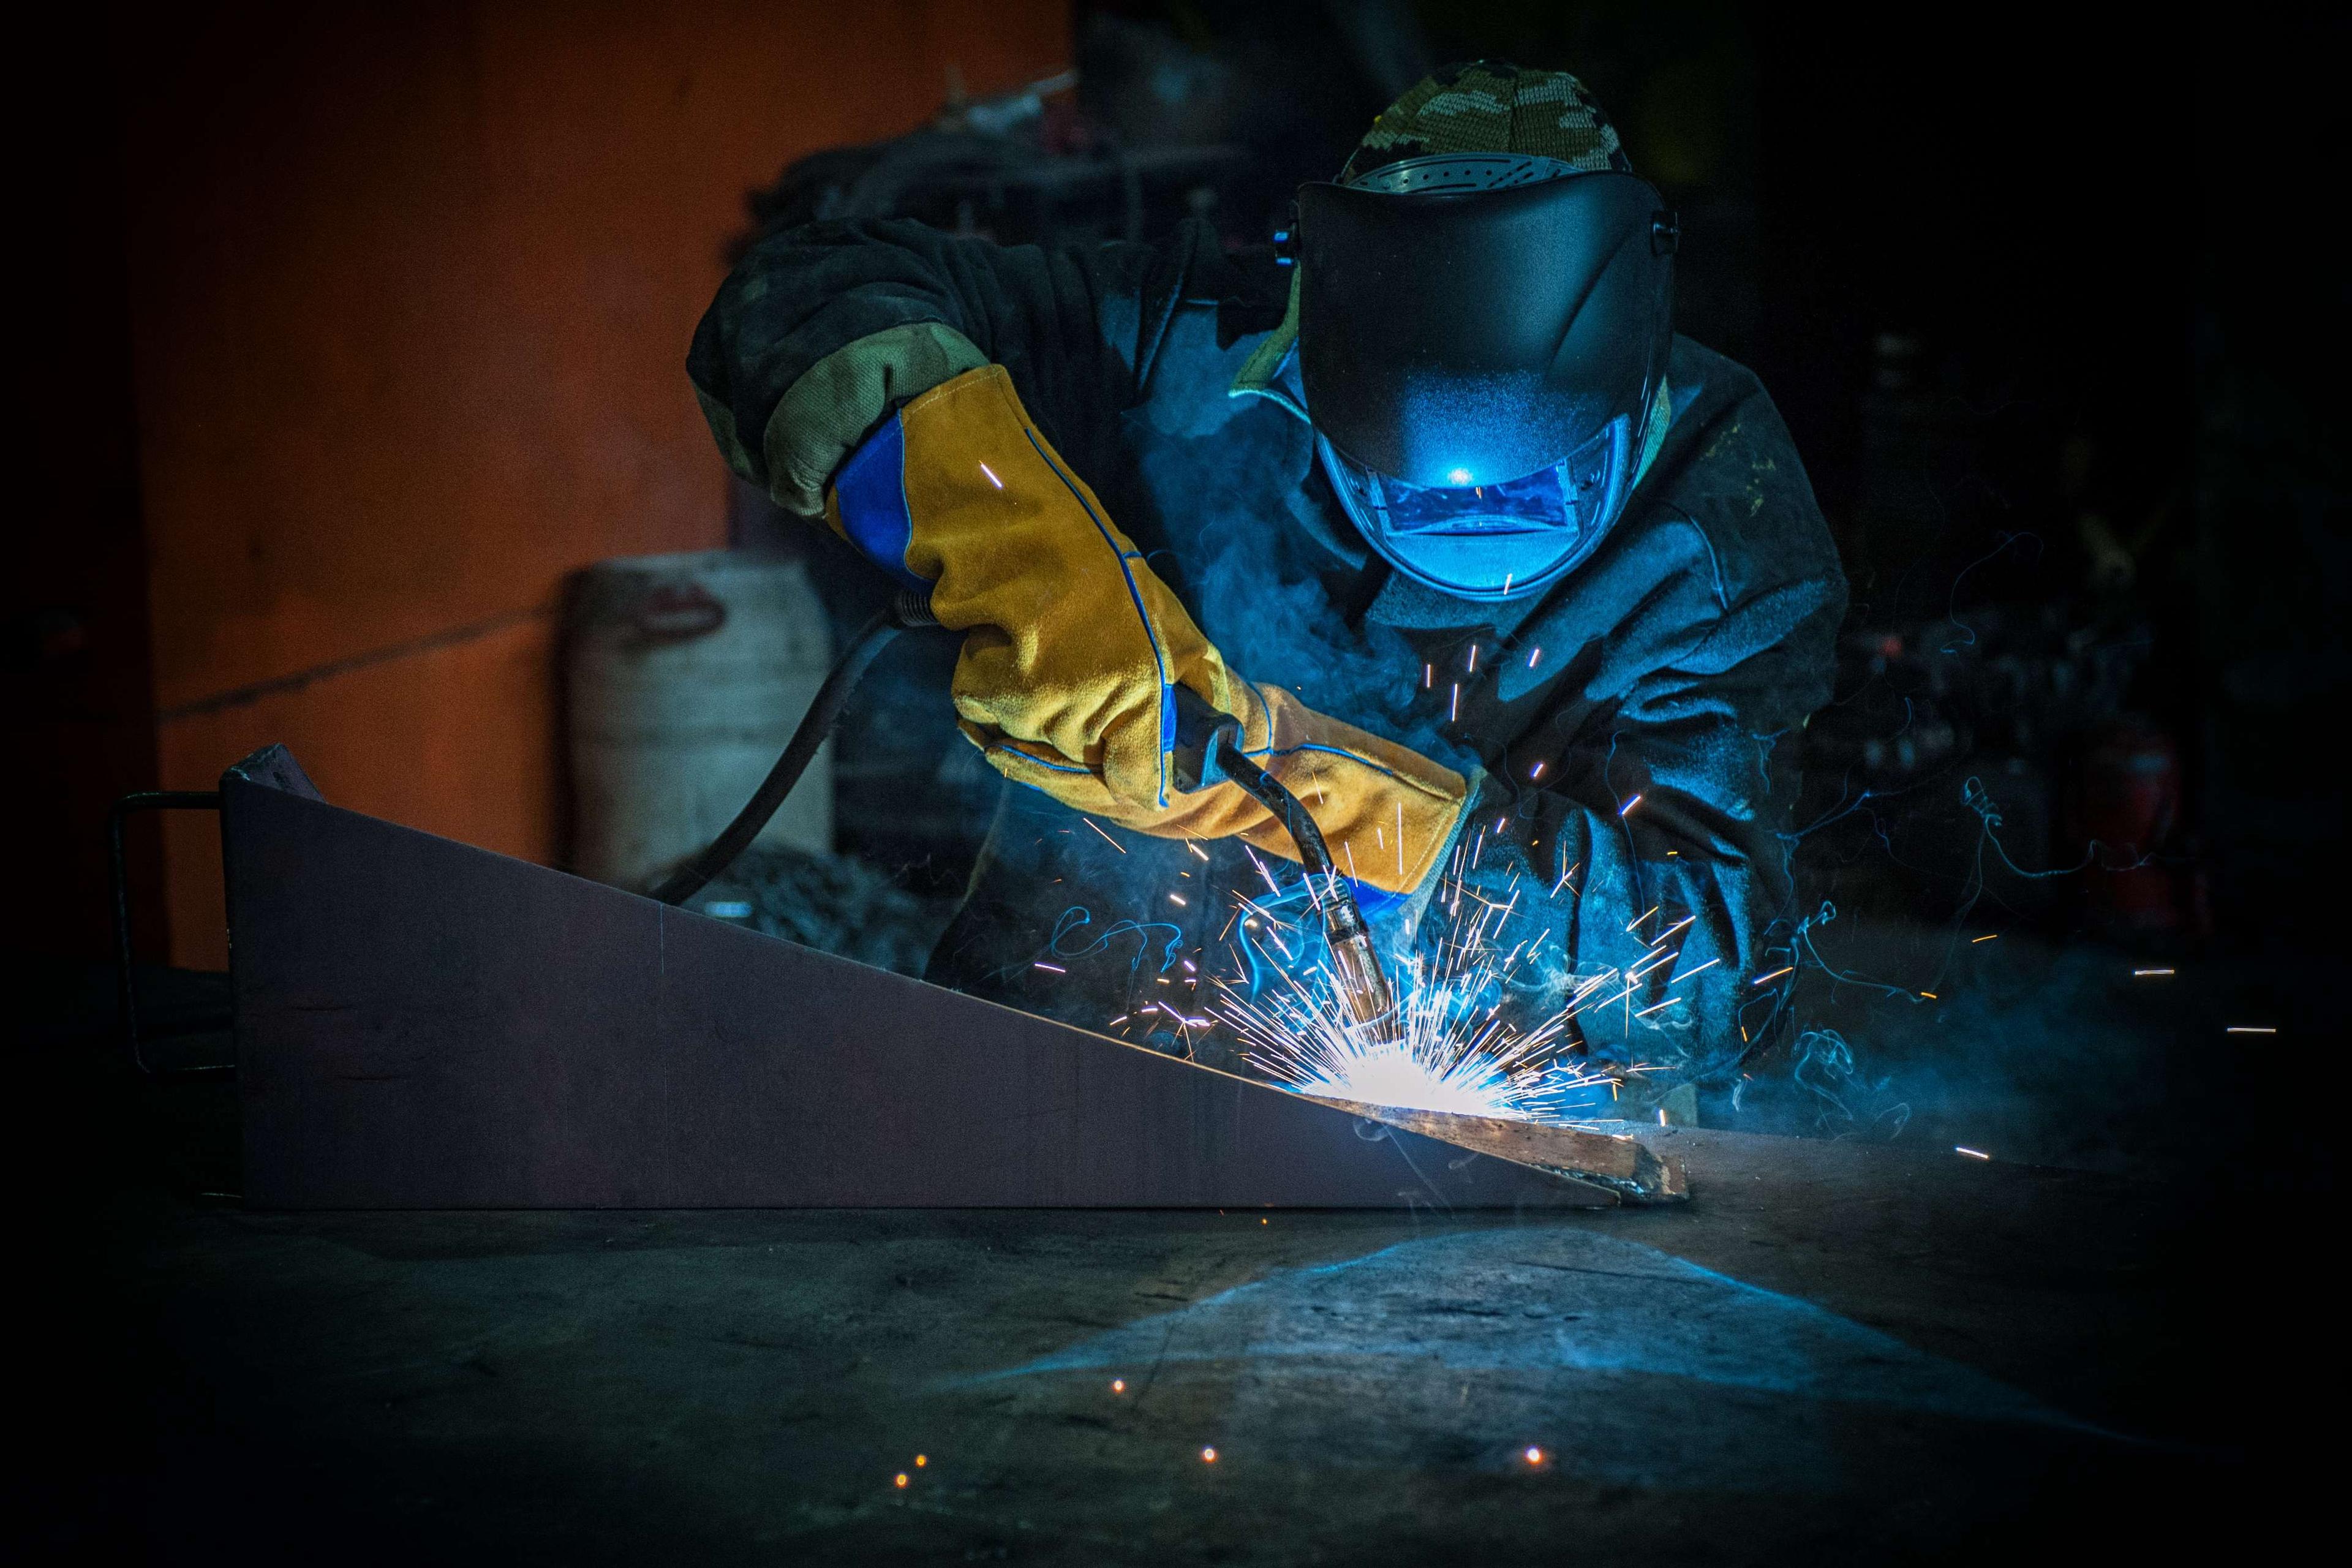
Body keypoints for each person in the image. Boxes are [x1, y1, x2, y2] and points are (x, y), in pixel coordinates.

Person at [688, 62, 1845, 1087]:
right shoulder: (1179, 345)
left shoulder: (1723, 515)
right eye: (1404, 482)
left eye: (1538, 484)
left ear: (1633, 393)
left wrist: (1327, 791)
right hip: (1062, 1042)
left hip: (1503, 1125)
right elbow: (798, 298)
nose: (1472, 524)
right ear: (1308, 351)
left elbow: (1710, 976)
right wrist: (1030, 565)